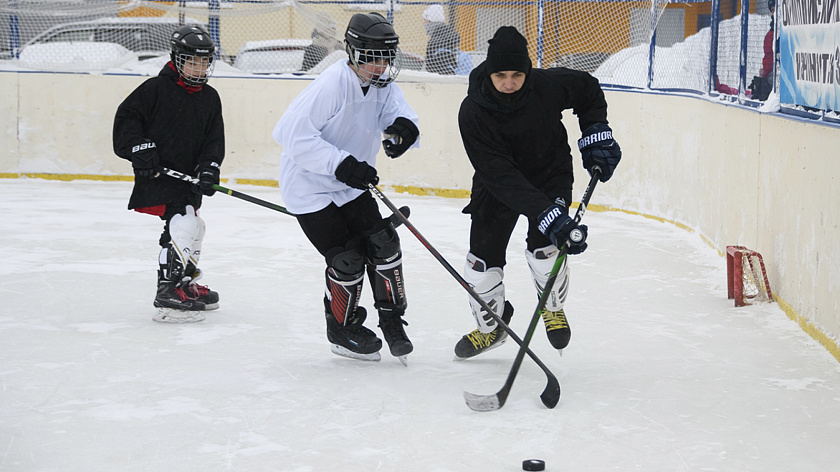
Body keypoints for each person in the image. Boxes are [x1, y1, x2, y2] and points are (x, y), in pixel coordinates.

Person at [454, 26, 621, 359]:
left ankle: (552, 307)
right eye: (501, 75)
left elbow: (588, 90)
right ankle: (492, 329)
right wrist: (547, 216)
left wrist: (596, 133)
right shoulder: (472, 111)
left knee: (546, 252)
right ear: (489, 72)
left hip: (550, 175)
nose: (510, 83)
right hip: (497, 186)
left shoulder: (545, 86)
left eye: (517, 74)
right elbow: (499, 175)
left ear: (527, 71)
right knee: (479, 267)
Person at [272, 12, 421, 363]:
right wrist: (341, 164)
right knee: (347, 260)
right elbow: (291, 135)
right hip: (310, 188)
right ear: (354, 54)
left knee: (384, 246)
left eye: (386, 57)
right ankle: (342, 328)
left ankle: (392, 320)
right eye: (373, 58)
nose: (381, 66)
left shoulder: (381, 83)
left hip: (351, 185)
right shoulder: (332, 84)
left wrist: (404, 132)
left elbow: (400, 114)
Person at [113, 25, 225, 323]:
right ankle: (168, 290)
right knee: (184, 223)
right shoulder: (155, 89)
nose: (199, 68)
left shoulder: (210, 97)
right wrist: (140, 148)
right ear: (176, 59)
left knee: (194, 226)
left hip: (189, 179)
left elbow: (214, 141)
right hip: (159, 173)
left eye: (204, 62)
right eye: (193, 61)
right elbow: (126, 121)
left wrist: (209, 168)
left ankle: (184, 283)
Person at [422, 4, 460, 75]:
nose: (424, 23)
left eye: (425, 20)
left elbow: (431, 68)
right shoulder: (450, 37)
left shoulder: (435, 42)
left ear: (432, 21)